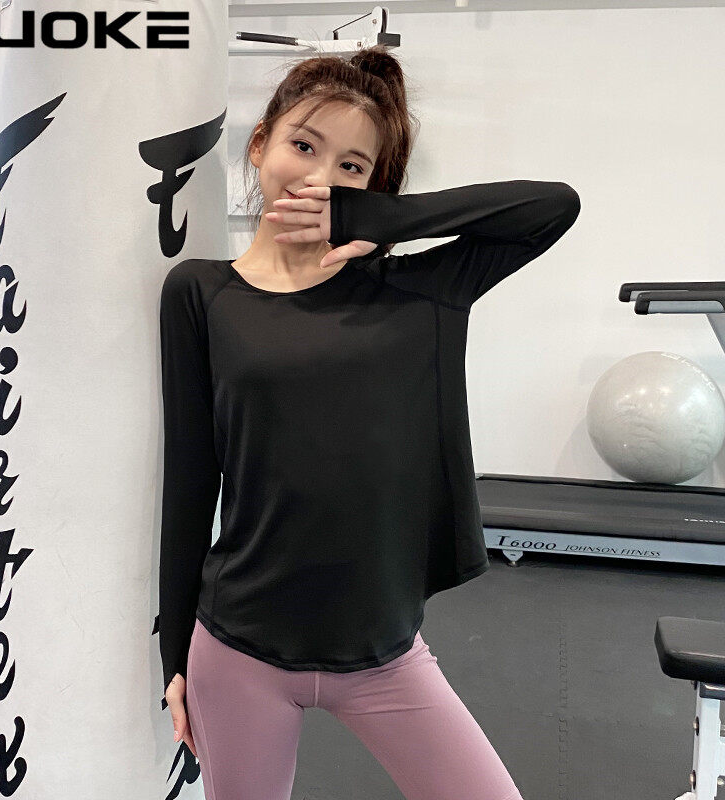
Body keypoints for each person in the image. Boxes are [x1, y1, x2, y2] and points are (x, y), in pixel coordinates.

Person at [158, 45, 580, 800]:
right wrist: (174, 659)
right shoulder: (201, 293)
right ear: (259, 146)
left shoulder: (420, 290)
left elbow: (553, 206)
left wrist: (388, 219)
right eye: (304, 146)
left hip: (383, 653)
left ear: (375, 189)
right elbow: (189, 486)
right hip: (240, 648)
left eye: (352, 167)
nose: (320, 178)